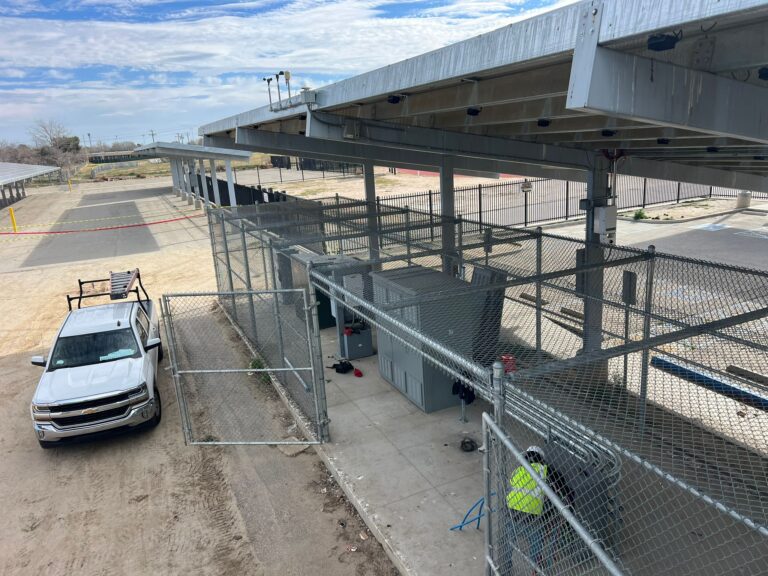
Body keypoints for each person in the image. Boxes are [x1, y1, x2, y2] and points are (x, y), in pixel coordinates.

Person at [506, 445, 573, 572]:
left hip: (511, 512)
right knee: (536, 540)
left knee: (508, 540)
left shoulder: (518, 469)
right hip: (531, 516)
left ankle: (506, 565)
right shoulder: (546, 470)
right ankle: (535, 567)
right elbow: (563, 488)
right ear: (541, 459)